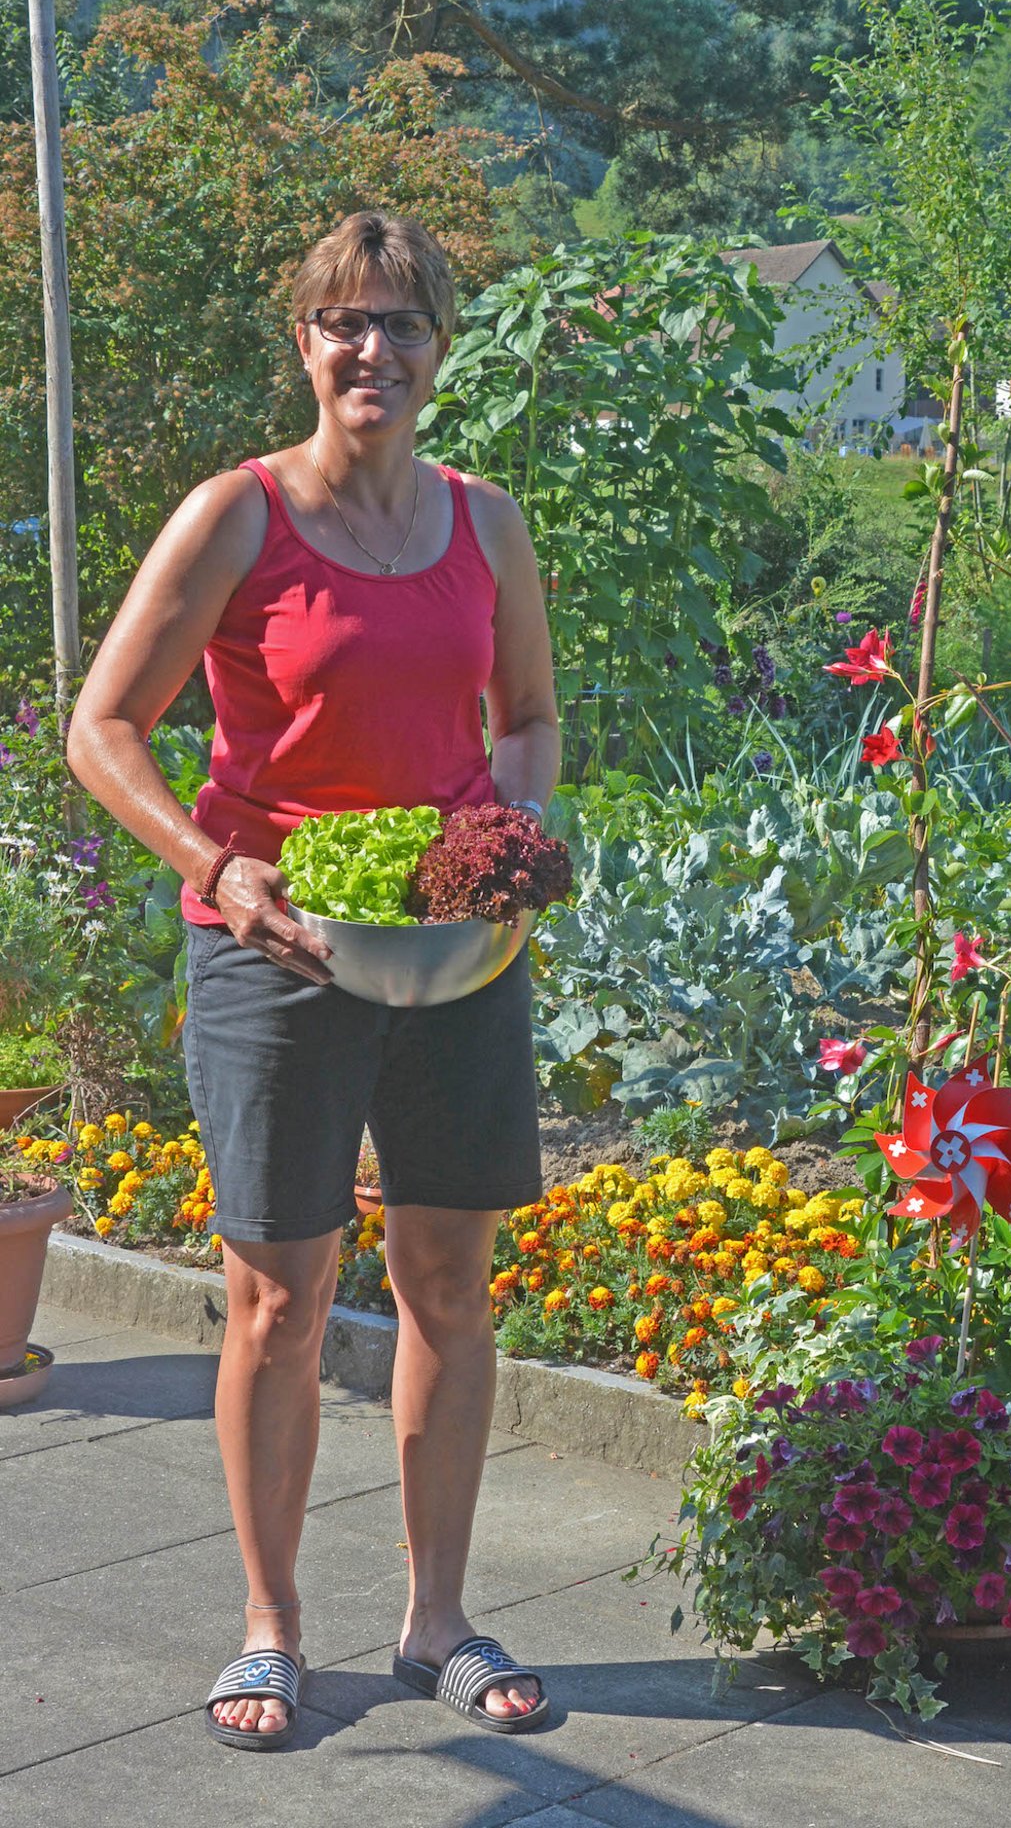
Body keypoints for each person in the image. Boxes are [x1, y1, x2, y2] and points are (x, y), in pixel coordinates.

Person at [67, 211, 560, 1750]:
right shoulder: (239, 516)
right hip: (271, 952)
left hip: (451, 955)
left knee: (450, 1287)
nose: (373, 349)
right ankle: (272, 1628)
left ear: (440, 349)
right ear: (305, 343)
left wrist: (508, 840)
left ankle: (438, 1622)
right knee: (279, 1301)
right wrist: (217, 869)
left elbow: (527, 719)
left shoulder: (485, 523)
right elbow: (102, 728)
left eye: (402, 323)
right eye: (345, 321)